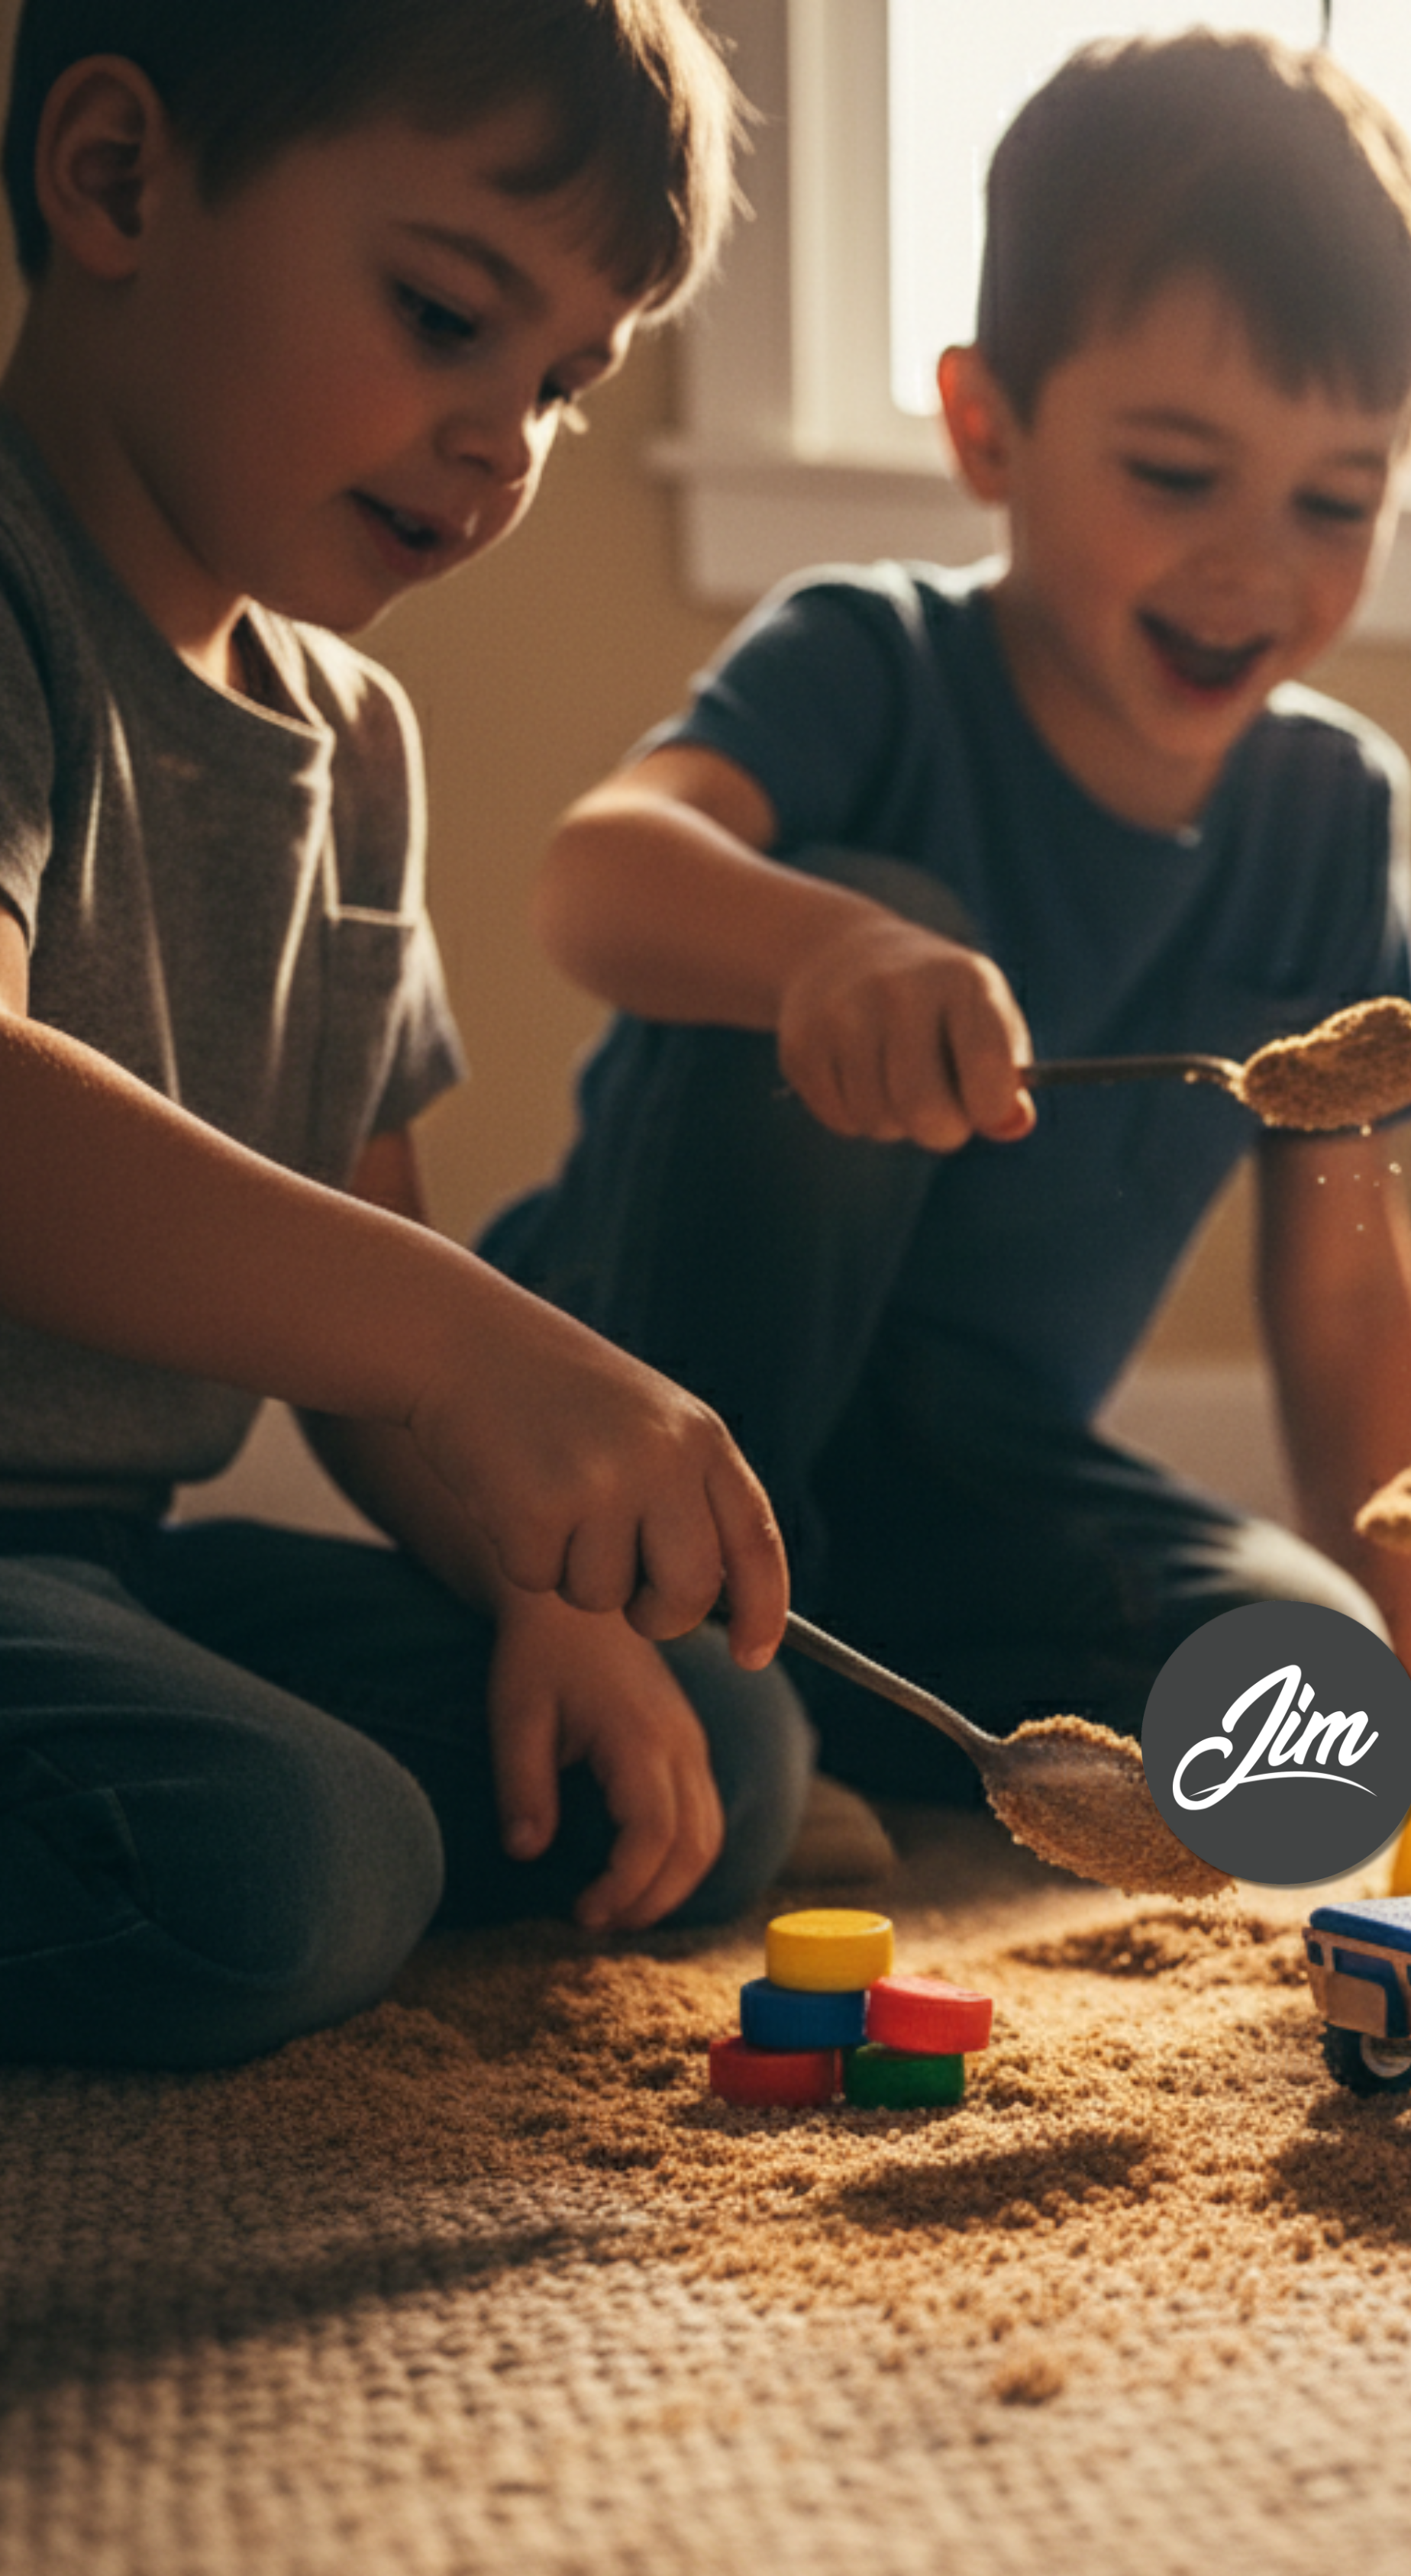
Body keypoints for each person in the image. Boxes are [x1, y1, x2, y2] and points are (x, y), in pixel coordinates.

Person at [483, 31, 1411, 1800]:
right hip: (656, 1405)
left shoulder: (1330, 811)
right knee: (867, 893)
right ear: (988, 426)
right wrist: (832, 950)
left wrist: (1402, 1687)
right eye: (1175, 476)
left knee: (1307, 1712)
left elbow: (1342, 1288)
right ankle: (663, 1658)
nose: (1254, 566)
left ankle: (841, 1712)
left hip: (976, 1483)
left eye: (1337, 501)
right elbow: (595, 873)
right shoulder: (868, 657)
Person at [0, 0, 810, 2073]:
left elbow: (364, 1298)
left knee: (709, 1731)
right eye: (447, 315)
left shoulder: (354, 744)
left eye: (562, 380)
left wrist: (528, 1566)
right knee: (289, 1861)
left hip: (94, 1563)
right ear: (115, 181)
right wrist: (486, 1343)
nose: (509, 439)